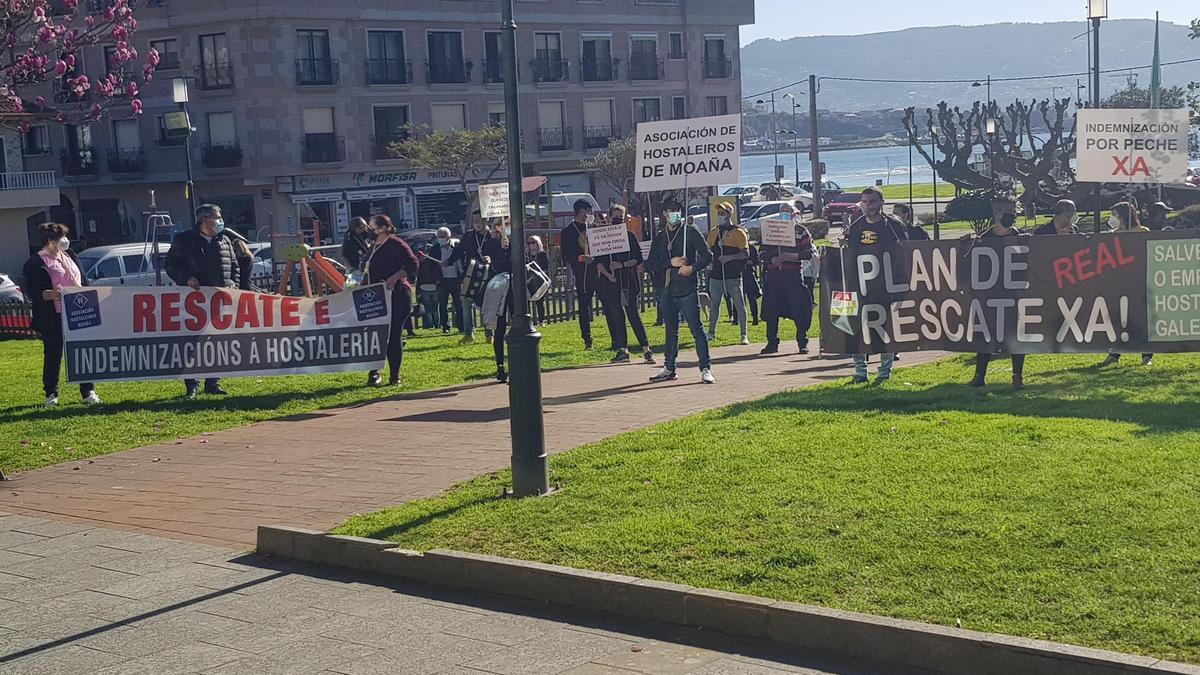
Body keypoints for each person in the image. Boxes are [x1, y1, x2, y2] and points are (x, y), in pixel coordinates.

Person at [165, 204, 241, 400]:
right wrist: (186, 277)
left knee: (215, 343)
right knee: (192, 344)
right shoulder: (184, 240)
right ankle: (192, 385)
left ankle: (212, 383)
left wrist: (234, 284)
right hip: (194, 302)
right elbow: (171, 265)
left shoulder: (224, 240)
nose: (220, 220)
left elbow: (234, 267)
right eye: (217, 216)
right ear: (205, 220)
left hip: (218, 300)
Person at [23, 223, 100, 407]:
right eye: (60, 238)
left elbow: (83, 280)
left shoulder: (70, 255)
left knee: (82, 352)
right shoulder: (35, 263)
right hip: (53, 315)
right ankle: (51, 392)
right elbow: (36, 292)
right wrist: (52, 294)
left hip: (78, 312)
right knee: (53, 353)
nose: (65, 241)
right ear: (50, 241)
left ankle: (88, 390)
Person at [647, 197, 714, 384]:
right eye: (670, 210)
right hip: (666, 290)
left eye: (677, 210)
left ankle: (705, 367)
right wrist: (670, 262)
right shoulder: (660, 237)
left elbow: (707, 256)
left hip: (686, 289)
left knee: (697, 329)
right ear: (664, 214)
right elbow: (651, 263)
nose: (673, 214)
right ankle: (669, 367)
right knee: (671, 330)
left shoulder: (690, 233)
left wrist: (692, 267)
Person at [845, 187, 907, 384]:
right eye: (864, 202)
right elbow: (849, 254)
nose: (867, 206)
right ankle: (860, 372)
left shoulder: (893, 226)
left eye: (871, 202)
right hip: (861, 287)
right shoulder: (857, 227)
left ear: (881, 203)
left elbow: (905, 253)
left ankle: (884, 373)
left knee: (885, 329)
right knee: (855, 328)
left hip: (885, 288)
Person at [971, 196, 1028, 389]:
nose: (1011, 216)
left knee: (1016, 336)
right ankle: (979, 376)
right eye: (1007, 212)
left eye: (1013, 212)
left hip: (1015, 297)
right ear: (996, 213)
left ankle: (1017, 376)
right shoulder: (982, 240)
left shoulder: (1022, 238)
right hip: (989, 297)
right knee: (985, 335)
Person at [594, 204, 655, 364]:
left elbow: (638, 259)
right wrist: (609, 275)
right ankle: (623, 350)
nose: (618, 222)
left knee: (633, 314)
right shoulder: (602, 236)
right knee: (616, 315)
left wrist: (622, 265)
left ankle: (646, 348)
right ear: (608, 217)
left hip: (628, 281)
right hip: (611, 283)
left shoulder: (630, 236)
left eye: (621, 219)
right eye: (615, 218)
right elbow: (598, 262)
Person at [363, 214, 418, 387]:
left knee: (393, 334)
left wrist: (394, 277)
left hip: (397, 295)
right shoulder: (373, 247)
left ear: (383, 228)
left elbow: (413, 264)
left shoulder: (396, 244)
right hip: (375, 297)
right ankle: (374, 371)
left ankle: (395, 375)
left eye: (372, 228)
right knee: (375, 335)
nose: (369, 231)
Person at [1100, 202, 1154, 367]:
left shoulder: (1142, 232)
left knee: (1141, 318)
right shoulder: (1113, 234)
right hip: (1120, 282)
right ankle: (1114, 354)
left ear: (1123, 215)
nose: (1112, 219)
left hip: (1140, 280)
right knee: (1119, 318)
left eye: (1115, 215)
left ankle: (1147, 355)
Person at [759, 203, 815, 355]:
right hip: (774, 277)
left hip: (793, 277)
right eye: (782, 211)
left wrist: (788, 256)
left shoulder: (801, 231)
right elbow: (761, 253)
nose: (785, 214)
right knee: (771, 313)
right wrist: (772, 260)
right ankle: (772, 343)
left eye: (788, 211)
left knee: (799, 311)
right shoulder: (770, 230)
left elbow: (808, 253)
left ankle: (802, 342)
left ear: (794, 214)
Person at [705, 202, 751, 345]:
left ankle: (744, 334)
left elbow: (745, 253)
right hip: (716, 274)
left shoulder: (738, 232)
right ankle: (711, 332)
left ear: (729, 214)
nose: (720, 216)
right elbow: (708, 250)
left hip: (733, 274)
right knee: (714, 304)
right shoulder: (714, 231)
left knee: (739, 304)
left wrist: (730, 257)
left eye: (722, 213)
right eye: (718, 213)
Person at [446, 211, 492, 344]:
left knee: (486, 305)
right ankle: (469, 334)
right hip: (470, 274)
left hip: (488, 274)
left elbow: (498, 252)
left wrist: (491, 259)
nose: (476, 224)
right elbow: (458, 251)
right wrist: (448, 262)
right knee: (466, 303)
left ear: (486, 221)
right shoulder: (469, 236)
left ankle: (489, 334)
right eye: (474, 221)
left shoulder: (492, 236)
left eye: (479, 220)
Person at [559, 199, 598, 350]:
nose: (590, 215)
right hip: (582, 273)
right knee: (584, 306)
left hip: (599, 271)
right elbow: (567, 254)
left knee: (609, 304)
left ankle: (617, 340)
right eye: (588, 211)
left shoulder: (595, 228)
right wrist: (581, 258)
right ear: (582, 212)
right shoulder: (568, 231)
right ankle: (587, 340)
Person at [483, 218, 513, 382]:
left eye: (508, 224)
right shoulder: (491, 243)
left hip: (514, 289)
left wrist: (509, 247)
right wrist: (501, 249)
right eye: (503, 224)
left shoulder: (515, 241)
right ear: (496, 227)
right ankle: (500, 365)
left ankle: (517, 361)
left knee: (517, 325)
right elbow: (497, 265)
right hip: (499, 289)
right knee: (499, 328)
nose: (506, 227)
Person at [429, 227, 461, 334]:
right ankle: (445, 326)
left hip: (456, 279)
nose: (441, 239)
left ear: (449, 237)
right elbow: (431, 267)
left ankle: (461, 325)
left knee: (458, 304)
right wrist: (436, 279)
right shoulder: (435, 249)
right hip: (442, 281)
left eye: (443, 237)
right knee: (443, 305)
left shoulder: (456, 247)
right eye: (439, 237)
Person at [415, 240, 443, 330]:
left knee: (428, 308)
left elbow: (419, 277)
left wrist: (417, 290)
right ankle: (437, 324)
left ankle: (430, 324)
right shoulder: (435, 262)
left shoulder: (422, 263)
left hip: (424, 287)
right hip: (434, 286)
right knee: (436, 308)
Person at [526, 235, 550, 326]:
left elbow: (545, 267)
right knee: (526, 301)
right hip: (529, 281)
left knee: (540, 301)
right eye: (529, 243)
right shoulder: (526, 255)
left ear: (538, 244)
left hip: (539, 281)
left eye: (533, 243)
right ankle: (529, 321)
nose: (531, 245)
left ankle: (541, 321)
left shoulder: (542, 254)